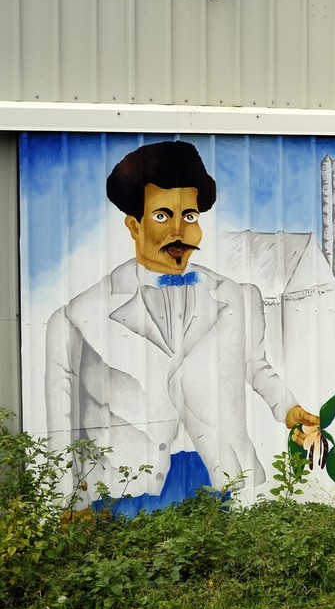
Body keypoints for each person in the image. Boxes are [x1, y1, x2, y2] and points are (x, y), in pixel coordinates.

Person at [43, 140, 319, 512]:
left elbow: (255, 365)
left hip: (211, 471)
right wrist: (66, 503)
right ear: (133, 226)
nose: (179, 231)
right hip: (125, 485)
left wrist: (288, 409)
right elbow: (62, 427)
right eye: (162, 216)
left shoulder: (237, 298)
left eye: (189, 217)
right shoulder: (77, 318)